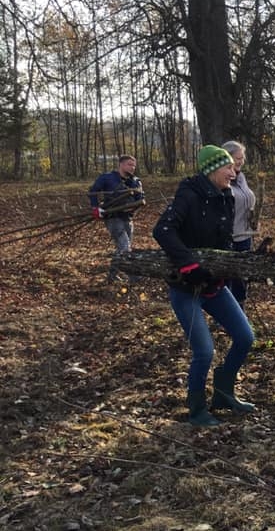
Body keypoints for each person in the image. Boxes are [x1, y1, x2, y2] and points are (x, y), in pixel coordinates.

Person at [153, 145, 256, 427]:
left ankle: (223, 394)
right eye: (229, 168)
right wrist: (190, 266)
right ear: (212, 169)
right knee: (204, 351)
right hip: (185, 288)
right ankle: (197, 409)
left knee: (245, 337)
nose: (234, 173)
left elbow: (224, 240)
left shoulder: (226, 196)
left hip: (213, 286)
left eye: (235, 168)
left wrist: (225, 270)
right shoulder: (189, 195)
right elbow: (162, 230)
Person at [88, 154, 144, 282]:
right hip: (113, 217)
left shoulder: (135, 181)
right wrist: (95, 208)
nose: (132, 167)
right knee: (125, 247)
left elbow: (140, 198)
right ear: (121, 164)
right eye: (130, 164)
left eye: (134, 165)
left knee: (122, 248)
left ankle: (111, 277)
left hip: (128, 218)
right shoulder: (107, 178)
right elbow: (93, 191)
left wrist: (135, 206)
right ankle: (134, 277)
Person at [222, 140, 256, 307]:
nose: (241, 161)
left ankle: (240, 315)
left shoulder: (241, 178)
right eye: (237, 158)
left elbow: (247, 200)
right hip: (230, 238)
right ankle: (227, 316)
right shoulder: (221, 181)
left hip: (246, 235)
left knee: (243, 277)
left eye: (242, 158)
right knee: (229, 278)